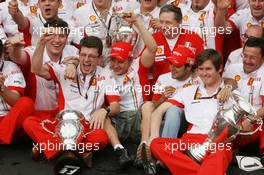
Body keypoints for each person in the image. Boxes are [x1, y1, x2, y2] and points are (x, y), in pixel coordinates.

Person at [24, 35, 120, 166]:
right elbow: (36, 69)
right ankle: (79, 153)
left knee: (102, 138)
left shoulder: (106, 74)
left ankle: (50, 148)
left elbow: (115, 106)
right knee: (29, 122)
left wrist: (105, 110)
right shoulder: (64, 69)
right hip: (61, 124)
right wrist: (41, 44)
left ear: (99, 58)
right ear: (78, 55)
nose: (86, 60)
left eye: (92, 56)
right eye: (83, 55)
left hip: (87, 127)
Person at [150, 49, 235, 175]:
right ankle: (202, 170)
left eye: (208, 69)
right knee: (156, 144)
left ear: (220, 68)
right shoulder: (189, 91)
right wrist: (153, 136)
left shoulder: (232, 94)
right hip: (190, 141)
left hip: (217, 142)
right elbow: (158, 111)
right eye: (201, 69)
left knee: (221, 151)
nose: (204, 73)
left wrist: (229, 88)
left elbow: (244, 123)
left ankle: (189, 166)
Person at [223, 37, 264, 165]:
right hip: (231, 118)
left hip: (256, 121)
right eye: (245, 56)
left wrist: (250, 119)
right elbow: (222, 83)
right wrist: (228, 84)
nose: (247, 60)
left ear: (262, 58)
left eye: (252, 57)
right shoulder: (232, 68)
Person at [150, 4, 204, 89]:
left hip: (188, 90)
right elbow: (143, 68)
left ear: (179, 22)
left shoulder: (194, 38)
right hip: (160, 92)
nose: (163, 26)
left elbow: (203, 66)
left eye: (168, 23)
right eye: (161, 22)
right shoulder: (152, 39)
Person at [0, 39, 34, 144]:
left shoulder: (11, 67)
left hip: (8, 120)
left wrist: (2, 89)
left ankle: (2, 135)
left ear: (1, 55)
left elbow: (16, 100)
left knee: (26, 103)